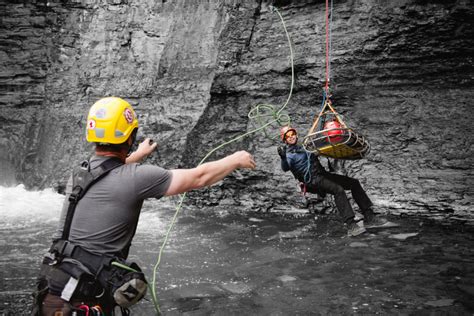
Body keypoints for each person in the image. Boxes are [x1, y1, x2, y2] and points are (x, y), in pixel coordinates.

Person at [32, 97, 256, 315]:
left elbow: (108, 171)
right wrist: (236, 159)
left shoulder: (79, 174)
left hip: (52, 290)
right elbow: (200, 177)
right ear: (130, 137)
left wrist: (137, 155)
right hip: (84, 300)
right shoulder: (138, 178)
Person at [277, 126, 384, 237]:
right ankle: (351, 225)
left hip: (322, 175)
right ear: (285, 140)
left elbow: (317, 138)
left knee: (354, 183)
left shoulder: (305, 147)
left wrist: (323, 120)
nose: (291, 137)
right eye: (287, 136)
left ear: (296, 134)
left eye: (292, 133)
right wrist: (283, 157)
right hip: (312, 180)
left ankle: (369, 216)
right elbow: (285, 168)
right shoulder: (288, 155)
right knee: (338, 190)